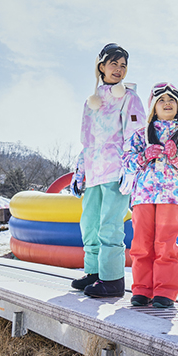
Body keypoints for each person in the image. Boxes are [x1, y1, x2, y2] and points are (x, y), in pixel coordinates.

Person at [69, 43, 146, 298]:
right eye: (114, 63)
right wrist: (80, 169)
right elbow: (86, 140)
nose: (119, 69)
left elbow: (136, 134)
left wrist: (131, 167)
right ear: (101, 66)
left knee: (110, 225)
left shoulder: (128, 98)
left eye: (123, 65)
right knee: (90, 223)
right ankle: (93, 271)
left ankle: (112, 279)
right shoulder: (91, 102)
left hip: (115, 170)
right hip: (93, 171)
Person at [122, 82, 178, 308]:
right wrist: (143, 156)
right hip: (144, 197)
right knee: (141, 244)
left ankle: (165, 291)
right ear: (153, 107)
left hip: (172, 196)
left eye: (171, 101)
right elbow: (126, 164)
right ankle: (142, 289)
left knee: (166, 245)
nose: (167, 104)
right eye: (161, 101)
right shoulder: (140, 135)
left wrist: (177, 156)